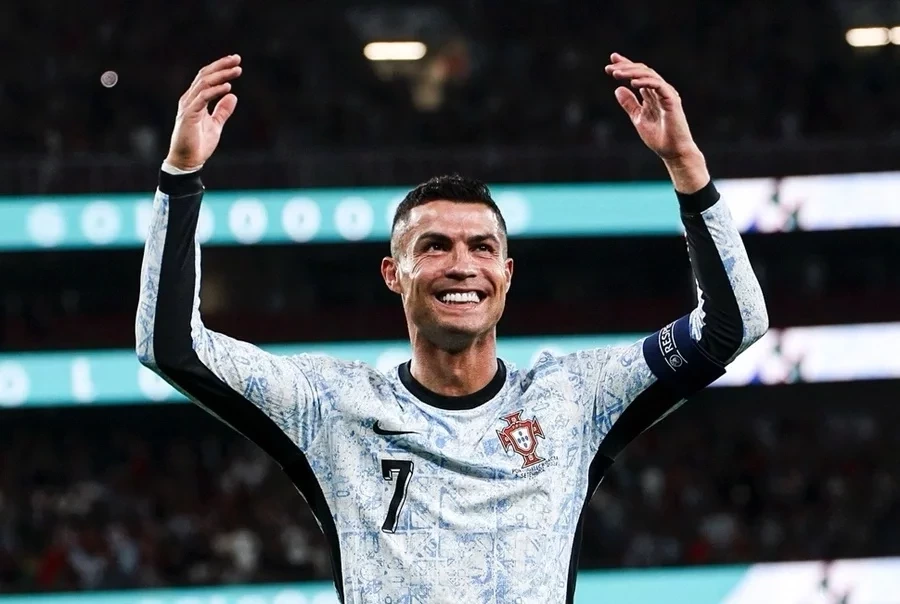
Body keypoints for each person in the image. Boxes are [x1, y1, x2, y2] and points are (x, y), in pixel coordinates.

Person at [136, 52, 768, 603]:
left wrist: (686, 165)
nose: (462, 265)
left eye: (482, 248)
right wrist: (180, 177)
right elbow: (172, 347)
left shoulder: (575, 400)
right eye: (435, 246)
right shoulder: (330, 408)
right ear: (393, 273)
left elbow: (733, 324)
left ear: (507, 274)